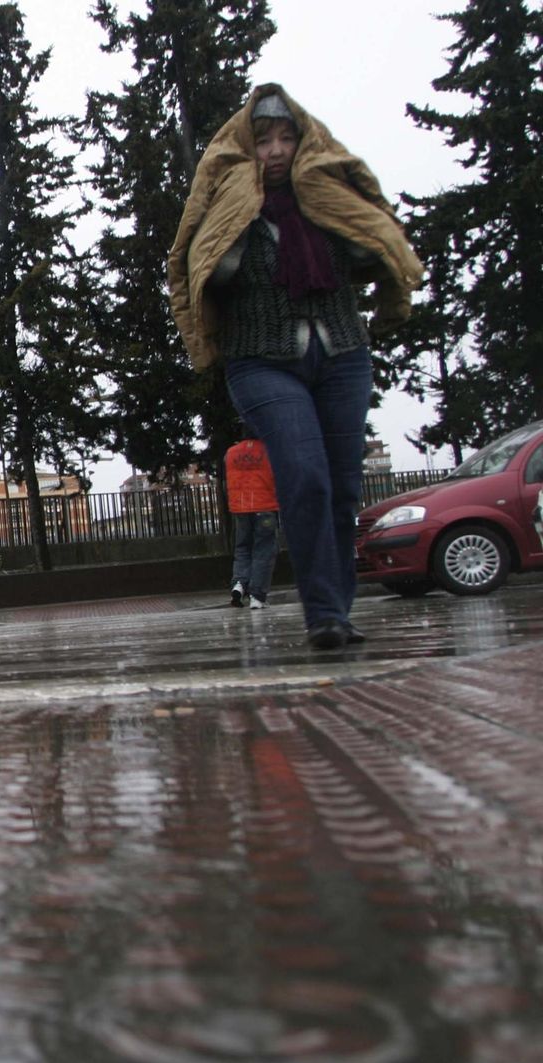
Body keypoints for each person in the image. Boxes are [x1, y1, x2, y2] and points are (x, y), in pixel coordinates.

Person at [169, 84, 422, 650]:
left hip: (342, 354)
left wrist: (371, 254)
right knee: (304, 474)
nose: (277, 150)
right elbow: (192, 260)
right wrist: (225, 257)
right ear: (246, 147)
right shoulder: (229, 204)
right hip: (260, 360)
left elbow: (373, 239)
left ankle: (335, 613)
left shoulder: (329, 197)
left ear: (303, 142)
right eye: (264, 141)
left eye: (287, 138)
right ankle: (323, 614)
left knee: (342, 487)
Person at [224, 436, 279, 609]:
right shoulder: (268, 449)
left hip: (240, 507)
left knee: (242, 548)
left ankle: (239, 584)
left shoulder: (231, 453)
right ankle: (257, 595)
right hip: (265, 505)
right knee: (263, 550)